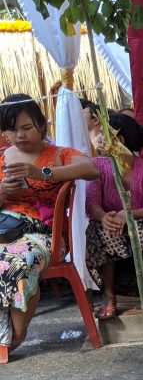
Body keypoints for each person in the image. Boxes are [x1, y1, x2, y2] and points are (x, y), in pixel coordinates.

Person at [0, 94, 98, 363]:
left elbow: (90, 168)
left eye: (26, 127)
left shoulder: (58, 154)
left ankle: (14, 336)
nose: (19, 135)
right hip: (3, 230)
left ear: (42, 125)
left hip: (42, 235)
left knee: (18, 261)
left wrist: (41, 173)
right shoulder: (1, 158)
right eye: (11, 129)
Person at [85, 112, 143, 319]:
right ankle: (108, 295)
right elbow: (91, 204)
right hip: (113, 228)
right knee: (95, 229)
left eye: (103, 135)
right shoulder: (98, 166)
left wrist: (128, 214)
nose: (98, 139)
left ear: (119, 140)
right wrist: (104, 217)